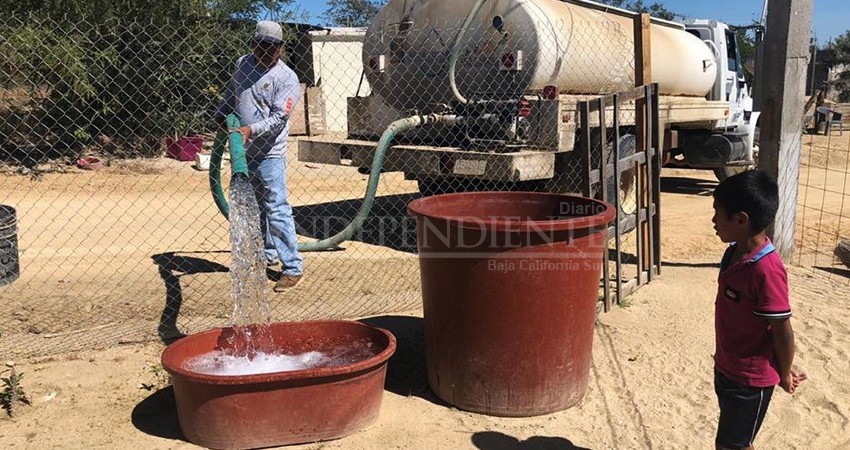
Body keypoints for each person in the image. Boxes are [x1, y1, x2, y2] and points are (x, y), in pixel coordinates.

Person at [711, 170, 806, 450]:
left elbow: (782, 331)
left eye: (718, 214)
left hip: (749, 382)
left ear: (741, 220)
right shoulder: (734, 252)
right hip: (726, 369)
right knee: (739, 440)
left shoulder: (767, 270)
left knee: (729, 445)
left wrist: (785, 372)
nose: (713, 221)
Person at [215, 20, 303, 291]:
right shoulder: (243, 63)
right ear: (253, 43)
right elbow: (233, 90)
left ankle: (292, 267)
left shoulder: (286, 78)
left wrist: (249, 130)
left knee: (276, 207)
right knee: (256, 206)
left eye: (271, 47)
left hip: (269, 153)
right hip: (244, 149)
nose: (265, 51)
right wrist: (222, 111)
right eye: (260, 45)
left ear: (281, 48)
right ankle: (269, 254)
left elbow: (278, 119)